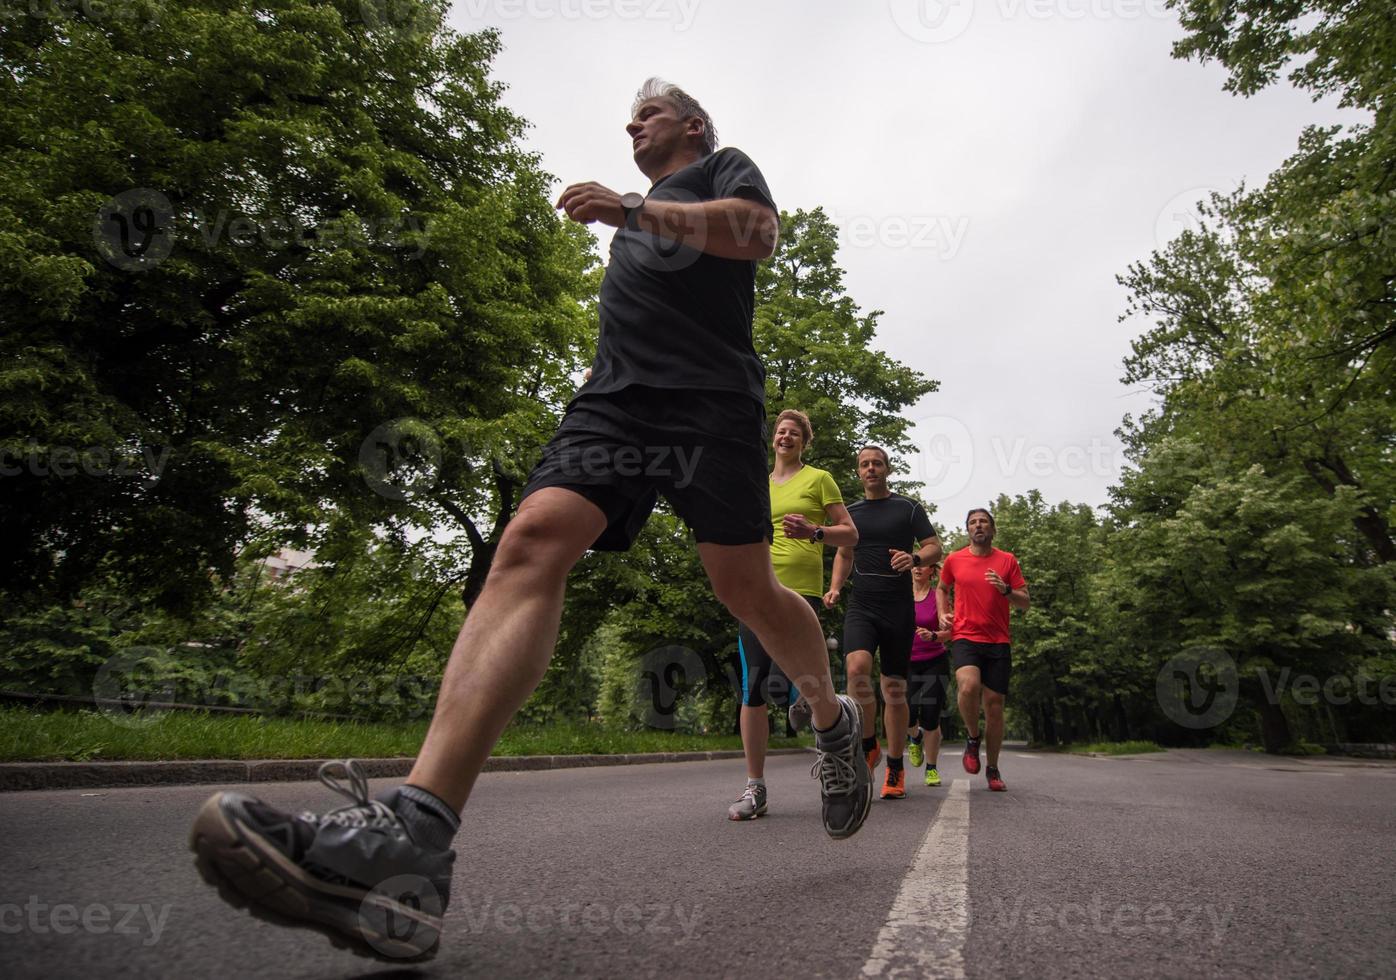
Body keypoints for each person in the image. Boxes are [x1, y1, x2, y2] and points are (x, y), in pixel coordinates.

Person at [188, 78, 873, 962]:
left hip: (709, 410)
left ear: (693, 128)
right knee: (532, 540)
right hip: (614, 406)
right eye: (628, 120)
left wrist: (632, 208)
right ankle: (411, 842)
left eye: (649, 116)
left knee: (743, 586)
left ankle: (831, 721)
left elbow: (758, 234)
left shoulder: (720, 172)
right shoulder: (641, 220)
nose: (633, 127)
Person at [728, 408, 858, 820]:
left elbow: (850, 533)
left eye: (794, 434)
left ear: (804, 442)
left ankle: (817, 710)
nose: (786, 437)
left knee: (802, 677)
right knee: (753, 686)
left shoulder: (818, 480)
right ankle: (755, 788)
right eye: (781, 432)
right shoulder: (757, 484)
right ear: (773, 440)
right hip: (756, 589)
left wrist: (815, 532)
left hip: (800, 591)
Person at [827, 446, 941, 801]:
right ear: (859, 472)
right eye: (865, 464)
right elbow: (844, 553)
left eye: (877, 463)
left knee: (894, 689)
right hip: (862, 602)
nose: (871, 469)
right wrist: (834, 588)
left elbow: (934, 545)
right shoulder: (851, 513)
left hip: (897, 607)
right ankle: (868, 742)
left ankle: (895, 766)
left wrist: (916, 557)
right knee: (856, 666)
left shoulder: (907, 508)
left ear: (887, 469)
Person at [937, 508, 1029, 792]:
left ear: (992, 529)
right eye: (973, 522)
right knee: (967, 687)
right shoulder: (954, 559)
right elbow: (942, 588)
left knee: (994, 707)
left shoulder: (1007, 561)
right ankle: (973, 738)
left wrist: (1005, 591)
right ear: (968, 530)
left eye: (984, 522)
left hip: (998, 641)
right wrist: (943, 613)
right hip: (965, 635)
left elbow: (1025, 602)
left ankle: (992, 767)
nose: (978, 526)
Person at [906, 560, 952, 787]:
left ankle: (931, 769)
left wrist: (933, 635)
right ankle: (915, 737)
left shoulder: (938, 597)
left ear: (931, 571)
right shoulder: (901, 596)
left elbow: (950, 632)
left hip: (935, 660)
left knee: (932, 714)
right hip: (907, 662)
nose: (917, 568)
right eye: (914, 565)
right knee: (907, 712)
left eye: (922, 565)